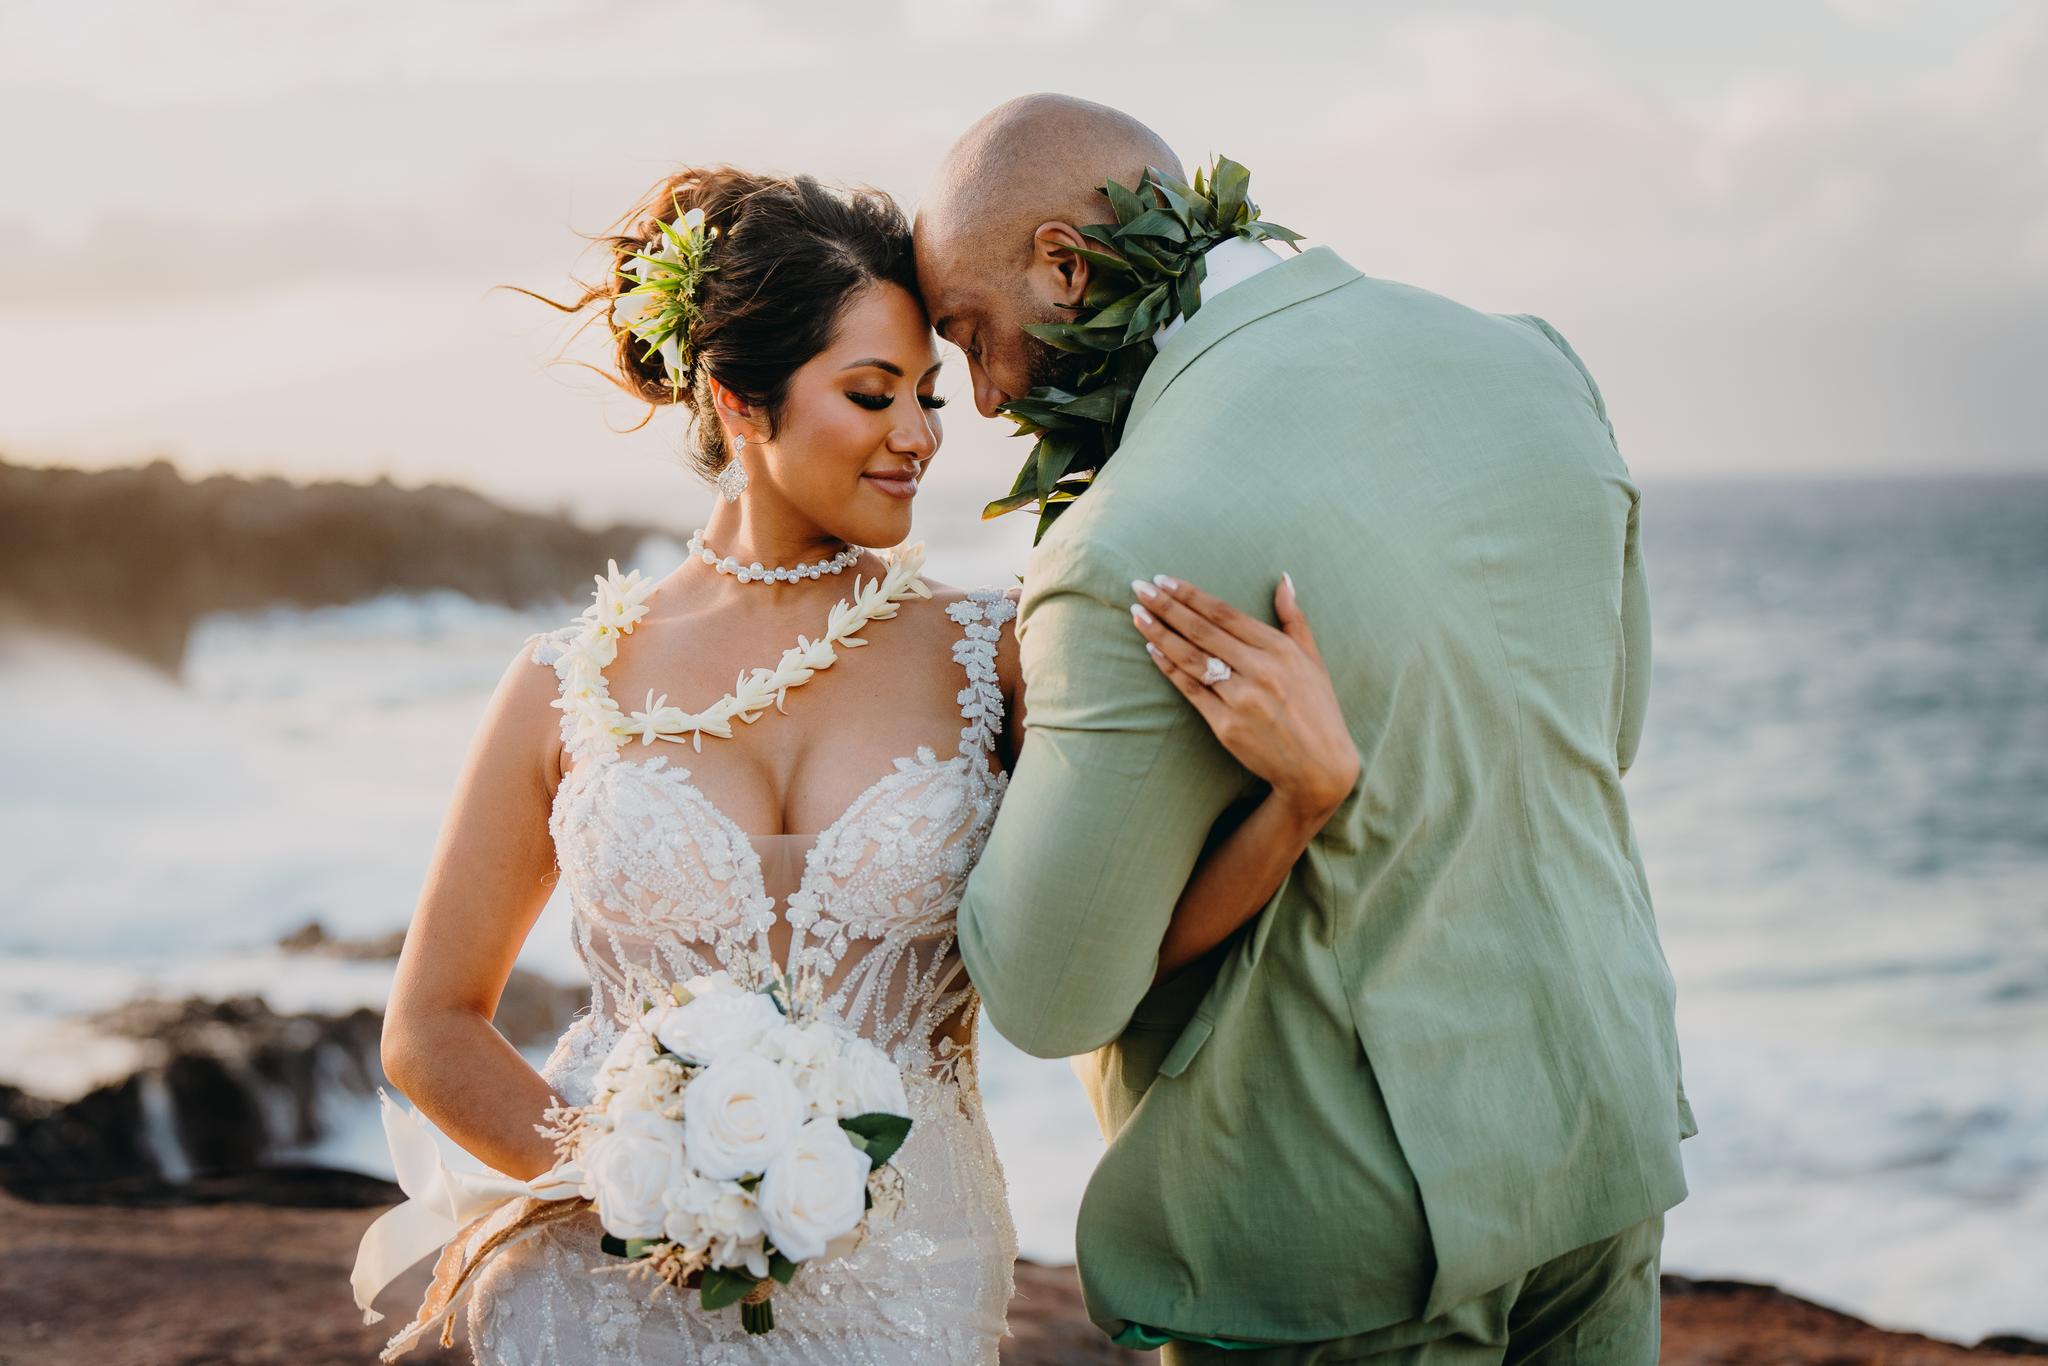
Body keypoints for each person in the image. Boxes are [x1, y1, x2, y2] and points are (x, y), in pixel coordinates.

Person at [364, 163, 1357, 1364]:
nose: (921, 435)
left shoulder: (999, 654)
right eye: (873, 392)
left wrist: (1301, 798)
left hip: (906, 1281)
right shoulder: (563, 682)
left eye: (929, 395)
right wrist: (640, 1183)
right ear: (739, 401)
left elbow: (1119, 954)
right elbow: (430, 1027)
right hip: (608, 1288)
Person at [924, 95, 1697, 1363]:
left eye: (972, 332)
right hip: (1595, 1141)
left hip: (1340, 1233)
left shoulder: (1120, 543)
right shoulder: (1532, 362)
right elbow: (1603, 733)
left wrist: (1009, 713)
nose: (990, 391)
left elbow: (1048, 991)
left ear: (1065, 265)